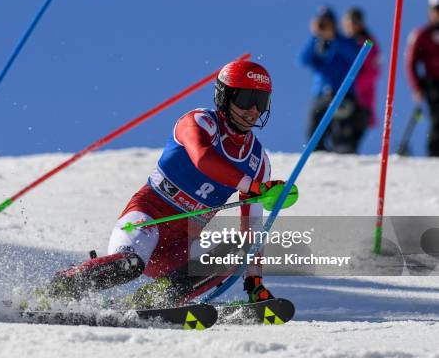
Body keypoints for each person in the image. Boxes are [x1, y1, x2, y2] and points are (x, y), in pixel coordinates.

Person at [41, 60, 290, 308]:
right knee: (128, 264)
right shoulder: (200, 122)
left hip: (182, 243)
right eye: (246, 99)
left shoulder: (258, 163)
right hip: (148, 218)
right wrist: (252, 186)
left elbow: (252, 229)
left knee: (237, 249)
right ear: (225, 96)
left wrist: (254, 281)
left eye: (262, 101)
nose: (254, 110)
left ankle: (150, 302)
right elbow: (202, 157)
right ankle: (62, 286)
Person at [300, 6, 366, 153]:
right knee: (314, 136)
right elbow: (303, 60)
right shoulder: (316, 43)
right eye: (321, 22)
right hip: (321, 96)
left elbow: (355, 57)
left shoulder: (345, 41)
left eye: (327, 22)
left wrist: (333, 38)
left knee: (343, 139)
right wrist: (314, 36)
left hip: (344, 95)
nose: (324, 25)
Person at [405, 0, 439, 156]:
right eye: (436, 9)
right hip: (432, 84)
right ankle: (434, 155)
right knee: (437, 118)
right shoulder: (422, 35)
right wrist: (416, 87)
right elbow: (411, 62)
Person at [341, 7, 382, 129]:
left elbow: (373, 72)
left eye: (354, 22)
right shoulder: (341, 42)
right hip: (341, 99)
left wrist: (352, 87)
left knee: (347, 140)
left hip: (360, 102)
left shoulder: (368, 44)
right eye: (347, 22)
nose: (350, 26)